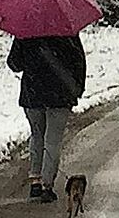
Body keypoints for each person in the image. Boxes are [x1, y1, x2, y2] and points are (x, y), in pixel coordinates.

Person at [6, 32, 86, 204]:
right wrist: (77, 89)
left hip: (32, 94)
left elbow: (14, 63)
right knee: (53, 141)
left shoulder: (25, 32)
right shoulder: (67, 33)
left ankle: (35, 181)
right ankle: (46, 186)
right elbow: (79, 62)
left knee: (37, 136)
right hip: (60, 95)